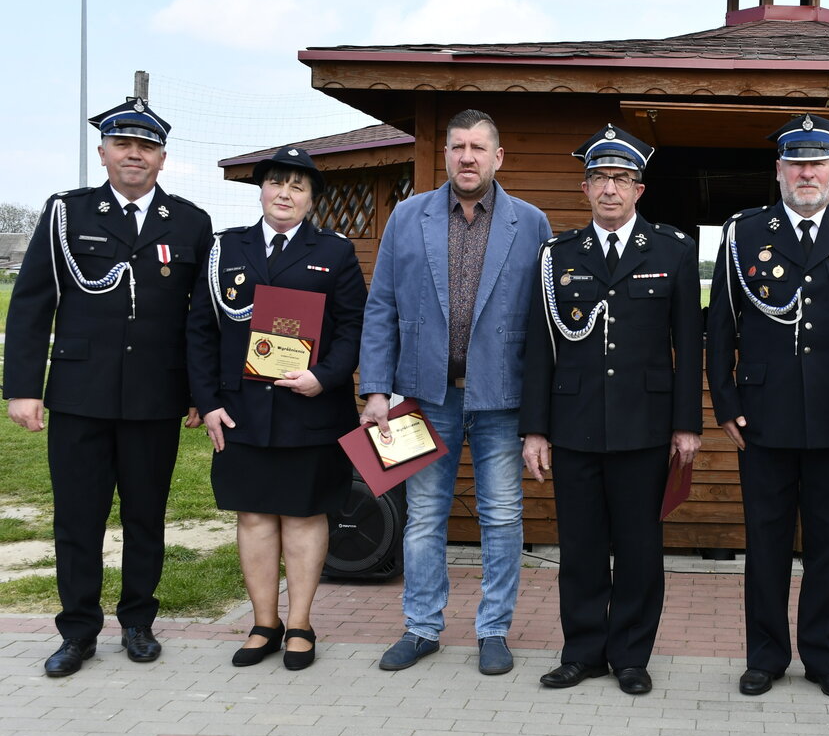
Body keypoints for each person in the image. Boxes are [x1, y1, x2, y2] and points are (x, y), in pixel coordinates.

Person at [3, 97, 212, 677]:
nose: (134, 155)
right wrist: (24, 387)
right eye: (123, 144)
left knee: (146, 515)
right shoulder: (68, 213)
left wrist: (200, 391)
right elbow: (31, 306)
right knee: (77, 518)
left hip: (154, 396)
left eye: (146, 147)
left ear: (162, 159)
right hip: (79, 395)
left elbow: (201, 318)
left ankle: (139, 622)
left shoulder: (191, 222)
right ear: (103, 153)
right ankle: (78, 631)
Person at [706, 114, 829, 701]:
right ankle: (765, 656)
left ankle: (826, 657)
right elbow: (720, 328)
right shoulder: (744, 232)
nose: (806, 173)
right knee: (765, 544)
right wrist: (725, 403)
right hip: (764, 415)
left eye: (817, 163)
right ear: (779, 171)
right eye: (796, 163)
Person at [359, 109, 552, 674]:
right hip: (423, 396)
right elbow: (382, 308)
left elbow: (543, 323)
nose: (467, 157)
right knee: (422, 518)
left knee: (502, 517)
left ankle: (494, 631)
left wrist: (540, 412)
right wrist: (376, 390)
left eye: (478, 148)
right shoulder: (406, 216)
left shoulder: (532, 222)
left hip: (501, 396)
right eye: (458, 147)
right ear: (446, 155)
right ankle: (421, 628)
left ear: (498, 158)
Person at [520, 125, 703, 695]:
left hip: (644, 427)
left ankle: (630, 655)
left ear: (639, 190)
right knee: (580, 548)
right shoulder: (557, 256)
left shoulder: (672, 250)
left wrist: (687, 424)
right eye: (599, 178)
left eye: (621, 179)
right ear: (584, 187)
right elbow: (538, 347)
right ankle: (582, 651)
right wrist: (535, 430)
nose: (609, 189)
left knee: (640, 549)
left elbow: (688, 345)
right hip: (574, 426)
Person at [186, 147, 366, 670]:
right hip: (241, 412)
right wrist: (209, 404)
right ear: (261, 190)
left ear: (312, 200)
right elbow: (199, 330)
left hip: (310, 409)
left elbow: (355, 326)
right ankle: (265, 623)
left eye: (298, 187)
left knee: (306, 516)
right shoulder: (226, 248)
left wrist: (324, 376)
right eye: (276, 183)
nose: (284, 194)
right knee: (256, 517)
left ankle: (302, 624)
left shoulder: (334, 252)